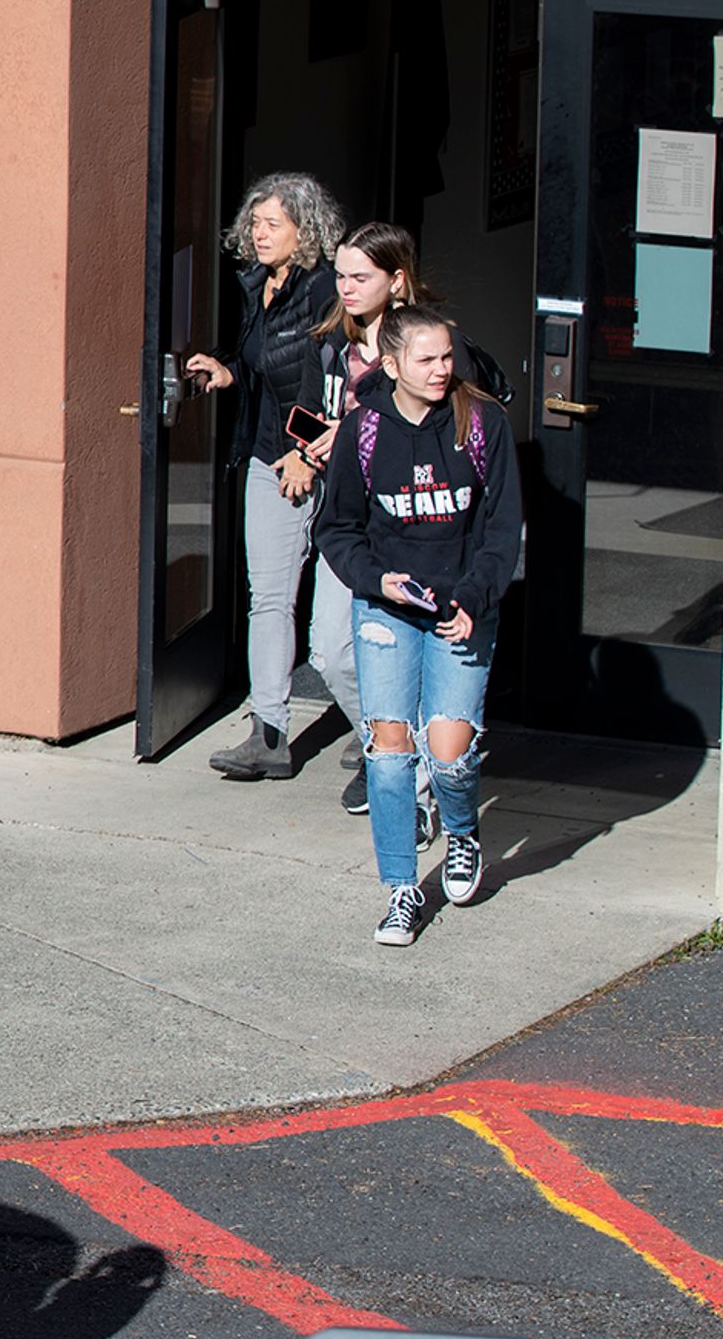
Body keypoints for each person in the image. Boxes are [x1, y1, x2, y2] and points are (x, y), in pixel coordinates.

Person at [314, 303, 522, 947]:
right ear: (393, 363)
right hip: (386, 607)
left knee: (451, 752)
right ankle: (401, 889)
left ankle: (461, 834)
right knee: (390, 747)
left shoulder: (482, 421)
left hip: (459, 607)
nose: (441, 370)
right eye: (426, 359)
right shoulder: (365, 431)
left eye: (446, 357)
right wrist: (376, 581)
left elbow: (500, 530)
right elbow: (338, 527)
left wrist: (474, 598)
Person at [182, 173, 344, 780]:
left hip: (312, 461)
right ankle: (268, 734)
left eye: (272, 224)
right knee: (269, 598)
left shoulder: (325, 289)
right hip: (264, 455)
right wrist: (227, 370)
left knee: (337, 620)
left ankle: (385, 733)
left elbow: (322, 376)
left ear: (306, 230)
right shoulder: (261, 285)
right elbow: (265, 366)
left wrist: (305, 451)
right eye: (256, 222)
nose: (259, 233)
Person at [295, 223, 426, 806]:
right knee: (330, 649)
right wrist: (305, 449)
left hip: (409, 523)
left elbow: (443, 427)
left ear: (396, 281)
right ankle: (388, 744)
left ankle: (413, 764)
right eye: (341, 275)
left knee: (403, 648)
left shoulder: (425, 348)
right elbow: (306, 409)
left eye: (360, 277)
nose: (345, 287)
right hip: (346, 520)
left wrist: (355, 429)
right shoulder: (330, 345)